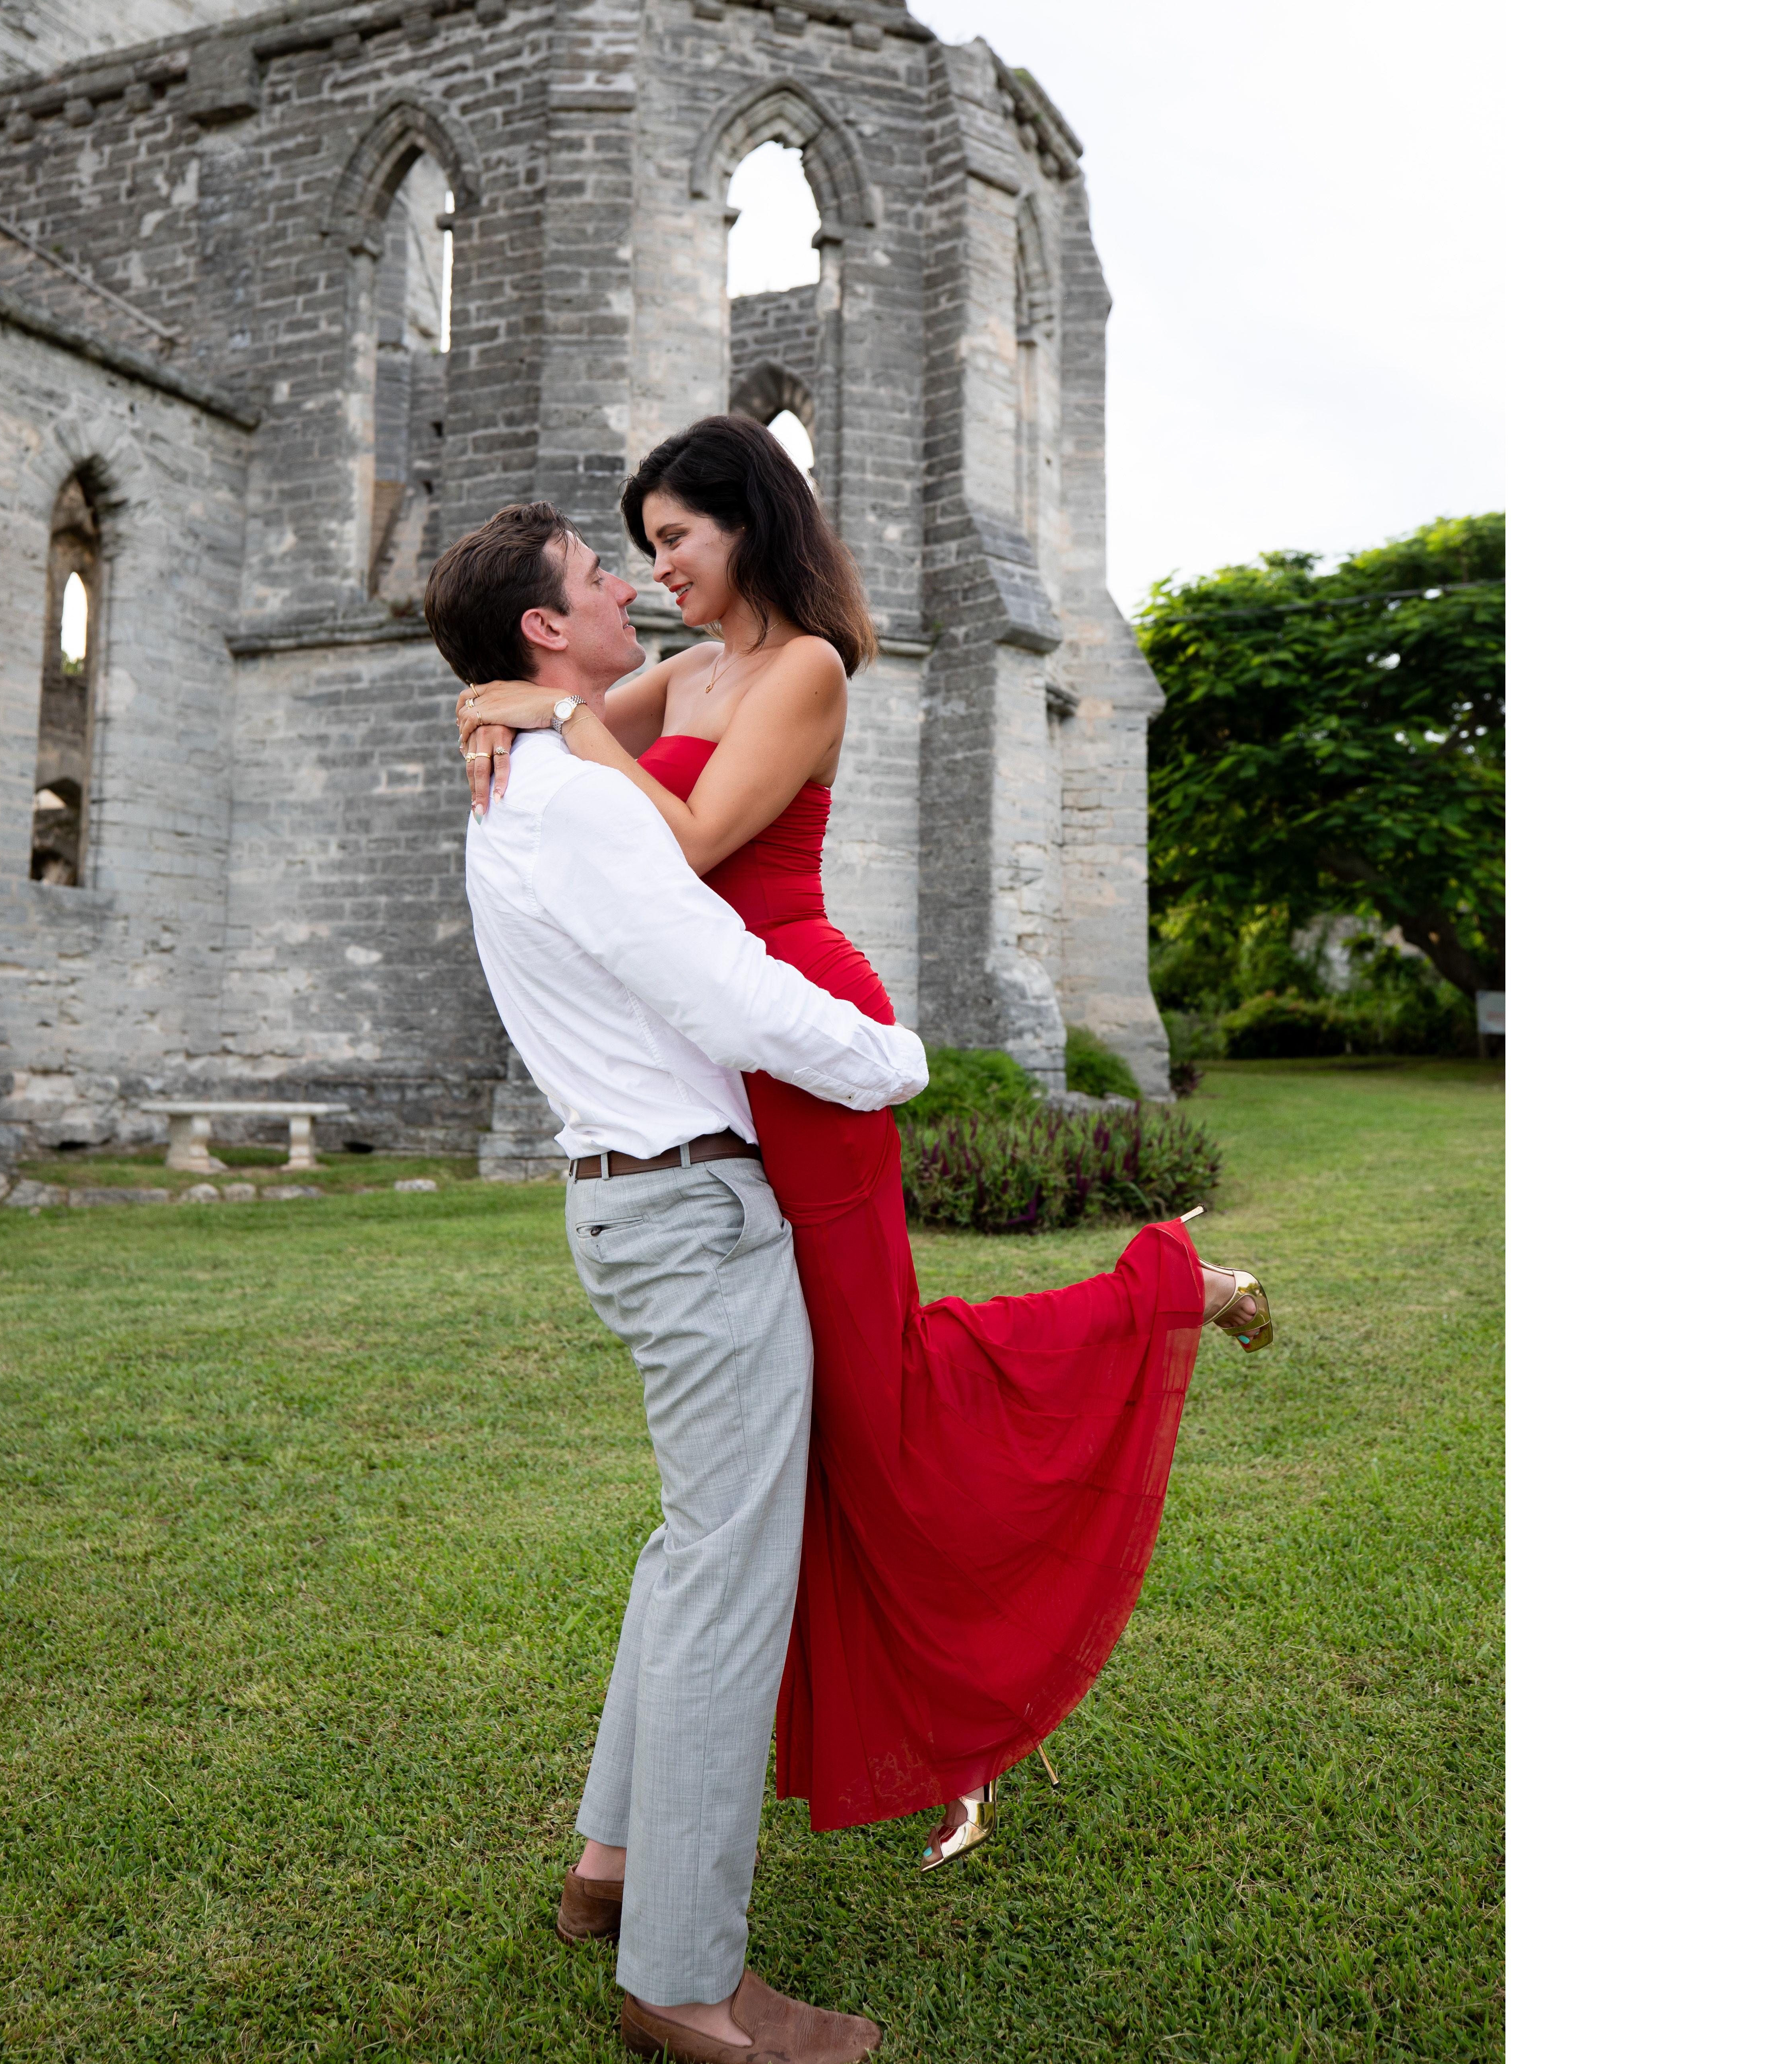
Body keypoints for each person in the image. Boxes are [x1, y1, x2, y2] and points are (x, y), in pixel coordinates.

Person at [455, 415, 1273, 1871]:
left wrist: (563, 722)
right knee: (813, 1432)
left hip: (804, 1031)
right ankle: (710, 1812)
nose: (657, 577)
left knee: (875, 1399)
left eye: (676, 544)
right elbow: (561, 731)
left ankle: (1166, 1293)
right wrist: (503, 706)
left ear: (748, 526)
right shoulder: (687, 671)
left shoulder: (806, 669)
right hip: (723, 1045)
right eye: (639, 553)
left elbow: (689, 845)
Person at [422, 501, 931, 2064]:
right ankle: (688, 1979)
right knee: (728, 1570)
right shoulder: (569, 798)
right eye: (596, 573)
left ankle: (612, 1865)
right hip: (690, 1209)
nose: (628, 584)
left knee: (687, 1540)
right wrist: (890, 1058)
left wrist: (562, 716)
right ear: (540, 631)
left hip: (641, 1202)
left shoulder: (537, 773)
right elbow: (717, 979)